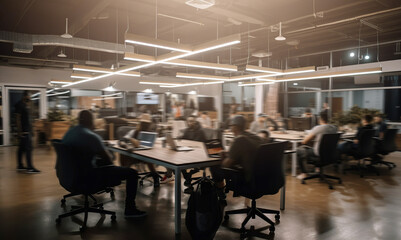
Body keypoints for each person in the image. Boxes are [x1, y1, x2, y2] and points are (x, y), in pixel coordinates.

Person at [62, 110, 147, 218]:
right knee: (132, 173)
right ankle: (130, 209)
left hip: (68, 176)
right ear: (91, 121)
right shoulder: (91, 136)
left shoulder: (70, 132)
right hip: (86, 178)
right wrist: (102, 148)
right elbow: (109, 162)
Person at [210, 115, 263, 200]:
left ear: (235, 127)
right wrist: (230, 152)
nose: (230, 128)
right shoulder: (256, 138)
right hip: (263, 177)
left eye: (231, 126)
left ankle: (221, 193)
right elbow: (248, 153)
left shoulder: (239, 140)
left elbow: (226, 165)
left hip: (246, 178)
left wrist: (223, 157)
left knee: (214, 166)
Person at [121, 114, 160, 187]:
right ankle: (126, 174)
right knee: (124, 155)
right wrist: (127, 145)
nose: (145, 126)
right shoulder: (134, 132)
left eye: (147, 124)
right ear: (140, 124)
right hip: (135, 155)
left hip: (147, 155)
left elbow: (153, 145)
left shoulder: (151, 134)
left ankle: (155, 176)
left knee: (149, 158)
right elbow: (122, 140)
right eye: (143, 124)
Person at [296, 112, 337, 180]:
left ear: (320, 119)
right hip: (330, 154)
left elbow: (304, 141)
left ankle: (304, 173)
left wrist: (305, 136)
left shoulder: (318, 128)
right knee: (312, 148)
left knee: (299, 150)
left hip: (318, 153)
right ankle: (318, 168)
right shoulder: (334, 128)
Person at [15, 91, 40, 173]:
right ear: (25, 96)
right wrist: (20, 131)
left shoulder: (25, 105)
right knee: (28, 149)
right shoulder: (20, 105)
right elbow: (18, 118)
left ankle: (20, 165)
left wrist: (32, 129)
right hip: (24, 131)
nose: (30, 97)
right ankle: (30, 168)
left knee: (21, 148)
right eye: (29, 96)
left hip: (27, 129)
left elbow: (28, 118)